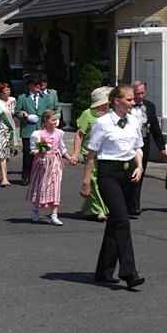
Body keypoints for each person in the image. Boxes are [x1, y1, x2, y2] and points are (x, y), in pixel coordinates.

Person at [80, 84, 145, 289]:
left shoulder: (134, 120)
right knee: (122, 221)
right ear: (116, 101)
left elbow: (138, 147)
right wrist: (86, 180)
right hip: (108, 173)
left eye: (133, 99)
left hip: (128, 173)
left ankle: (103, 271)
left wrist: (140, 166)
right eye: (129, 99)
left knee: (115, 223)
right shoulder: (102, 123)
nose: (133, 103)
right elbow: (92, 153)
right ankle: (129, 271)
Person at [26, 110, 76, 225]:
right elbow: (33, 150)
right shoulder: (37, 134)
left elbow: (62, 148)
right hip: (42, 163)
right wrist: (41, 150)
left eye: (56, 119)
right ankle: (35, 210)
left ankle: (54, 214)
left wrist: (70, 158)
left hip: (55, 163)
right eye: (53, 119)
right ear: (45, 121)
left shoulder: (59, 133)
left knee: (55, 186)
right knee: (40, 186)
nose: (55, 122)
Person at [73, 86, 112, 222]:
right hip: (89, 153)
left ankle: (88, 208)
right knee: (93, 181)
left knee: (102, 181)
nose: (107, 105)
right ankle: (101, 210)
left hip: (106, 153)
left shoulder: (111, 114)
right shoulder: (87, 114)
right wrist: (76, 153)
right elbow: (79, 134)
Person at [128, 80, 165, 216]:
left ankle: (134, 205)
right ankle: (125, 204)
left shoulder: (150, 106)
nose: (141, 96)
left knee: (139, 174)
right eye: (138, 93)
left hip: (143, 143)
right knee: (127, 174)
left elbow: (155, 127)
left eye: (143, 93)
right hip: (127, 144)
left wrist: (161, 147)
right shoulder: (127, 105)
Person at [16, 75, 48, 185]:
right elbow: (17, 111)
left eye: (40, 85)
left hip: (41, 131)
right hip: (28, 130)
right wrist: (25, 115)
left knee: (41, 154)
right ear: (30, 86)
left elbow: (49, 111)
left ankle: (39, 177)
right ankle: (26, 176)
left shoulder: (45, 98)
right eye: (36, 85)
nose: (38, 87)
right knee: (28, 155)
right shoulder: (22, 98)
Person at [0, 82, 20, 187]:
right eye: (5, 91)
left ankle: (5, 175)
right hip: (0, 129)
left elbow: (16, 115)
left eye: (9, 90)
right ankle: (4, 178)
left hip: (12, 130)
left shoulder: (13, 100)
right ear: (0, 93)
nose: (8, 92)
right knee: (1, 154)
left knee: (8, 154)